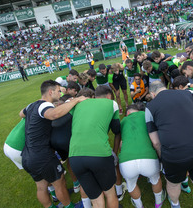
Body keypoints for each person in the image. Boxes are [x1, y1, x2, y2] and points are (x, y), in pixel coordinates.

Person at [146, 81, 193, 208]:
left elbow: (156, 142)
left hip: (174, 154)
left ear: (152, 94)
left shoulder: (150, 107)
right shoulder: (186, 92)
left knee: (173, 184)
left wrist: (162, 158)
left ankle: (175, 204)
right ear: (165, 87)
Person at [19, 80, 87, 208]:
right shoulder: (44, 105)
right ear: (51, 92)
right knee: (59, 182)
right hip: (42, 155)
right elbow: (54, 114)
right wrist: (75, 100)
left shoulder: (32, 105)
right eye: (58, 91)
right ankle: (70, 206)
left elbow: (21, 113)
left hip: (27, 155)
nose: (60, 93)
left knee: (41, 187)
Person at [68, 85, 122, 208]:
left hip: (75, 156)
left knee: (96, 200)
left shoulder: (77, 105)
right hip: (100, 154)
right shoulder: (111, 103)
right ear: (109, 96)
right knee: (110, 194)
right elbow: (117, 129)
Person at [119, 103, 166, 208]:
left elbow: (122, 143)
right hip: (148, 158)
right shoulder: (146, 116)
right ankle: (158, 203)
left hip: (127, 161)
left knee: (131, 184)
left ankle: (139, 206)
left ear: (127, 113)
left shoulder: (123, 121)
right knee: (155, 179)